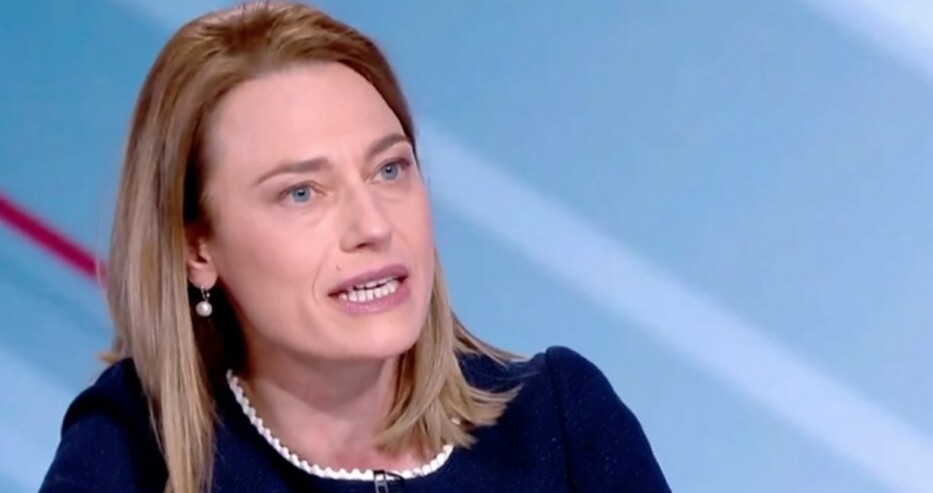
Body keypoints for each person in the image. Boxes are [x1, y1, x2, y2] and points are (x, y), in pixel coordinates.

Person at [39, 1, 671, 492]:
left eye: (389, 169)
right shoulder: (134, 454)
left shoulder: (557, 423)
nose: (372, 224)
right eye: (301, 193)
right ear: (197, 249)